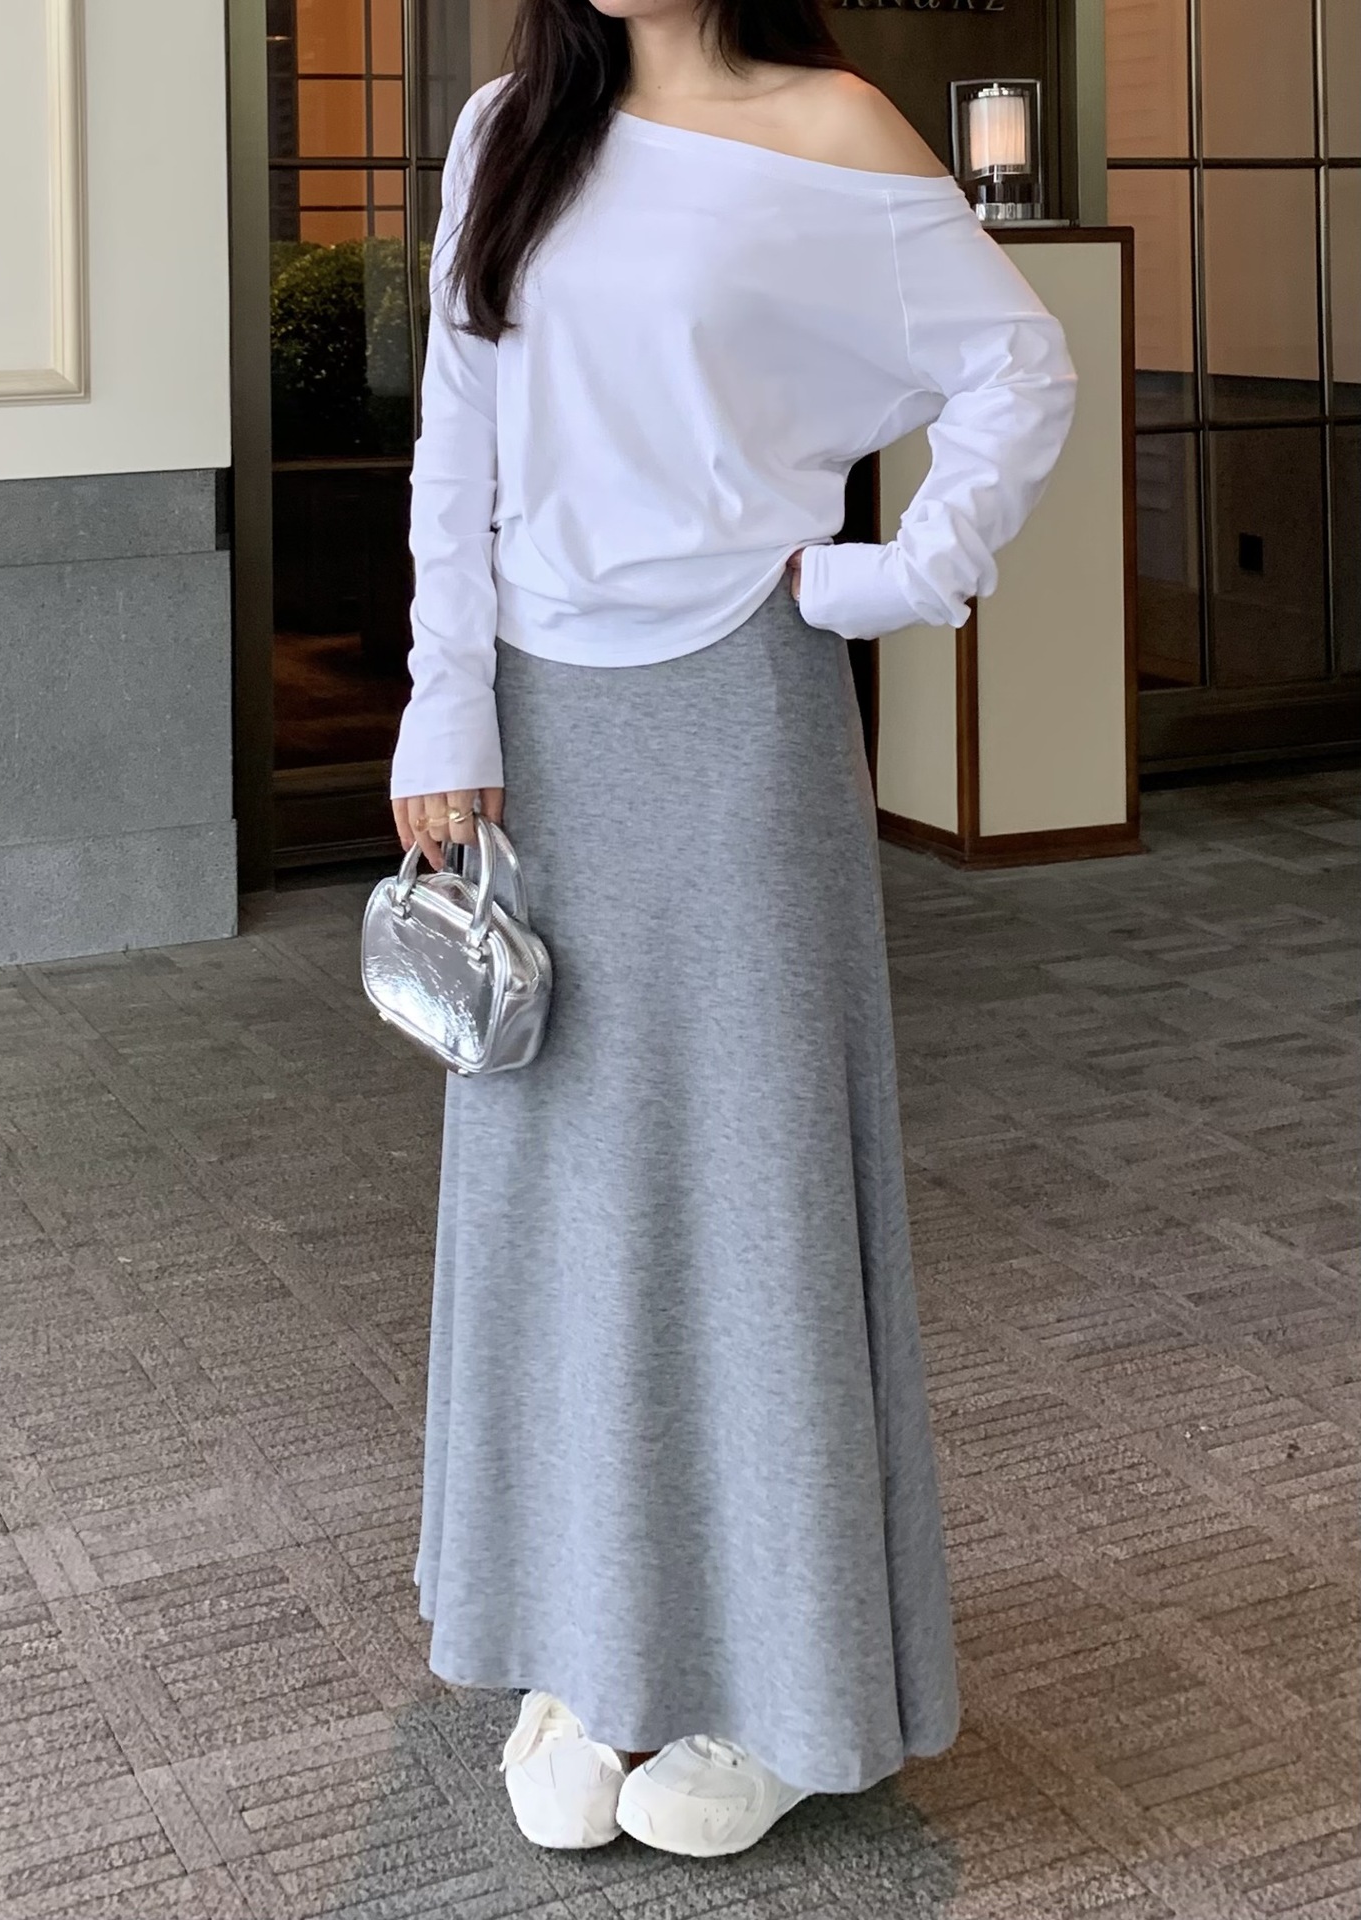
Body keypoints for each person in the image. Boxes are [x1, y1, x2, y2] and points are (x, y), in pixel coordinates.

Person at [388, 0, 1077, 1863]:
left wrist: (899, 575)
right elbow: (457, 442)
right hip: (539, 724)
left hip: (738, 716)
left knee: (752, 1196)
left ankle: (772, 1683)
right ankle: (578, 1651)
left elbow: (1023, 368)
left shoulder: (834, 130)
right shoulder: (508, 129)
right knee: (556, 1199)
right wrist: (445, 704)